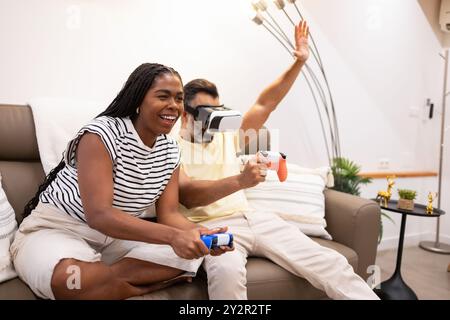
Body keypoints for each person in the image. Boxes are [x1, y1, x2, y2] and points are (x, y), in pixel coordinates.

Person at [176, 21, 380, 300]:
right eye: (204, 113)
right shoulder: (171, 148)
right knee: (226, 273)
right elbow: (188, 195)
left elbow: (266, 103)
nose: (213, 120)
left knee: (332, 263)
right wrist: (240, 180)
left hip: (256, 219)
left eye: (217, 111)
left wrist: (299, 62)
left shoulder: (227, 136)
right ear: (185, 114)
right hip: (216, 228)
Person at [10, 63, 227, 300]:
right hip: (58, 230)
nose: (173, 106)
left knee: (192, 255)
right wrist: (174, 237)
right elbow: (100, 215)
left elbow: (170, 215)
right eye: (163, 96)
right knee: (71, 280)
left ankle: (103, 283)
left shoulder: (170, 151)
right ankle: (122, 285)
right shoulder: (101, 135)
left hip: (117, 241)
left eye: (178, 99)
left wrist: (202, 234)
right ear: (138, 100)